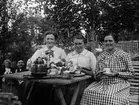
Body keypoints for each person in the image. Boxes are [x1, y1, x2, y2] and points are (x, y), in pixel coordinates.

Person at [80, 33, 134, 105]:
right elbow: (96, 76)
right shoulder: (101, 56)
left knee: (109, 97)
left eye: (110, 41)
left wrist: (117, 73)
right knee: (87, 92)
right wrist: (99, 74)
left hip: (119, 84)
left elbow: (132, 74)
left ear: (115, 42)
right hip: (102, 84)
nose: (108, 43)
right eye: (106, 41)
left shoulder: (124, 55)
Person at [26, 31, 67, 105]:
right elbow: (31, 61)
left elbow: (65, 64)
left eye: (52, 39)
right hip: (40, 76)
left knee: (46, 87)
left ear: (55, 40)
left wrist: (59, 65)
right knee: (28, 85)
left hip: (56, 77)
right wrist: (40, 59)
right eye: (48, 39)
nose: (49, 41)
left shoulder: (60, 51)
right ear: (45, 40)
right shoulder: (40, 50)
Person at [64, 33, 97, 105]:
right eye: (76, 44)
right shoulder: (69, 55)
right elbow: (65, 69)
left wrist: (82, 69)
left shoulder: (90, 55)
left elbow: (94, 72)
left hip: (86, 79)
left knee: (74, 90)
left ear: (84, 44)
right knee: (59, 88)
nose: (78, 46)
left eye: (80, 43)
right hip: (70, 79)